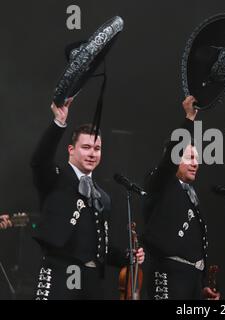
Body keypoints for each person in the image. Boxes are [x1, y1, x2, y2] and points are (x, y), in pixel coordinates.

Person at [31, 97, 145, 300]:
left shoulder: (104, 197)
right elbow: (39, 160)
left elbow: (101, 247)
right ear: (71, 150)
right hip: (62, 272)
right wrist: (59, 123)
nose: (92, 153)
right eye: (86, 147)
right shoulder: (56, 178)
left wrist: (128, 256)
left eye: (97, 149)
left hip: (92, 280)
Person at [143, 96, 219, 300]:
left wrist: (200, 284)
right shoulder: (161, 182)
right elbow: (169, 159)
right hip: (168, 275)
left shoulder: (190, 193)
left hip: (191, 280)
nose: (195, 163)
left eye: (197, 158)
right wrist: (189, 119)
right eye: (189, 157)